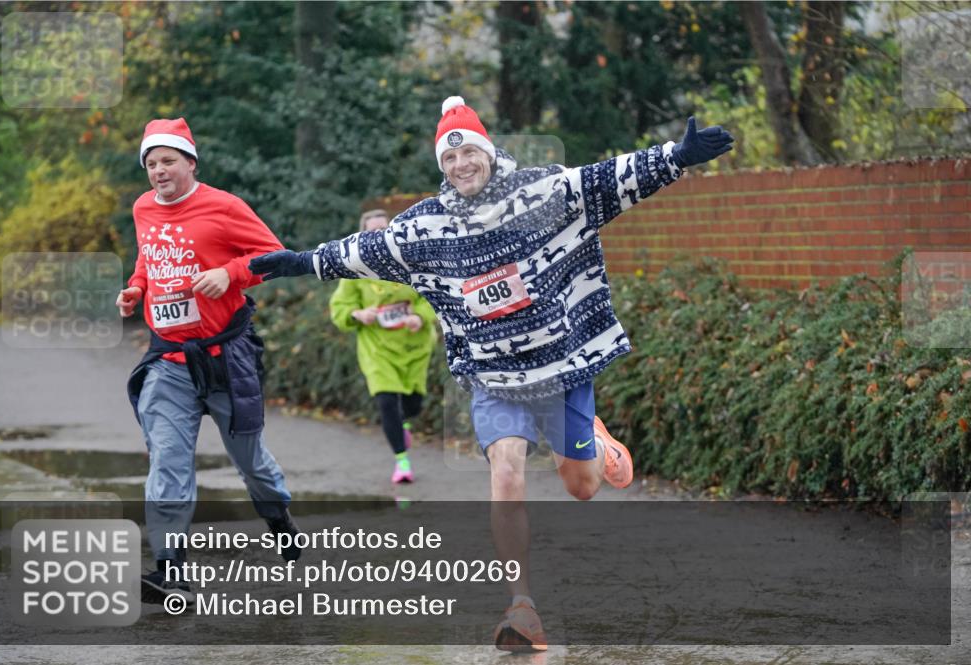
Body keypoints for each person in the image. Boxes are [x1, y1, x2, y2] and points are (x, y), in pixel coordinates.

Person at [249, 97, 733, 651]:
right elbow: (362, 251)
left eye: (468, 151)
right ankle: (521, 606)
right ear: (442, 167)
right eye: (449, 158)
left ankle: (595, 443)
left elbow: (610, 180)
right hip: (493, 373)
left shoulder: (544, 191)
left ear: (487, 150)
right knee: (505, 470)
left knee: (581, 487)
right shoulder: (427, 226)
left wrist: (678, 155)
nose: (460, 164)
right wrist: (298, 261)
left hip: (561, 363)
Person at [116, 117, 302, 606]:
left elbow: (275, 256)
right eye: (151, 163)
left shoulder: (224, 206)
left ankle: (278, 515)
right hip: (168, 359)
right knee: (168, 462)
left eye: (168, 161)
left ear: (190, 163)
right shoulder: (142, 208)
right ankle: (171, 571)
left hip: (226, 356)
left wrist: (230, 272)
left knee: (251, 463)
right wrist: (137, 287)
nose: (159, 171)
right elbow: (148, 255)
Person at [328, 209, 438, 483]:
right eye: (371, 230)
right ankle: (402, 462)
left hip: (414, 345)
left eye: (382, 229)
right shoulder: (353, 270)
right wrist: (357, 314)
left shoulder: (410, 261)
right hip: (377, 347)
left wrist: (419, 316)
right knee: (387, 402)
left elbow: (432, 296)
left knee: (413, 404)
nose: (377, 235)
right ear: (361, 235)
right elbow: (341, 307)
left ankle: (406, 423)